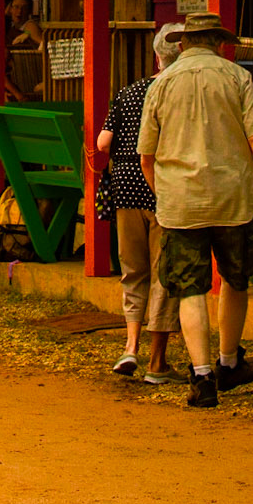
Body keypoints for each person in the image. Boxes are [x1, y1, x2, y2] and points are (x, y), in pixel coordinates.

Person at [138, 9, 253, 410]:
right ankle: (229, 361)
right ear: (220, 43)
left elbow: (147, 156)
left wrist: (164, 194)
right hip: (233, 199)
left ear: (183, 43)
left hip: (180, 204)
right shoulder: (237, 78)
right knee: (236, 280)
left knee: (190, 288)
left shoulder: (162, 83)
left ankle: (201, 375)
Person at [96, 23, 180, 385]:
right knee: (164, 273)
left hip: (125, 186)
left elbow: (102, 143)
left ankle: (129, 346)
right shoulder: (178, 93)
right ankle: (157, 361)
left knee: (133, 270)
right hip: (163, 187)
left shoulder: (129, 92)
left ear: (156, 56)